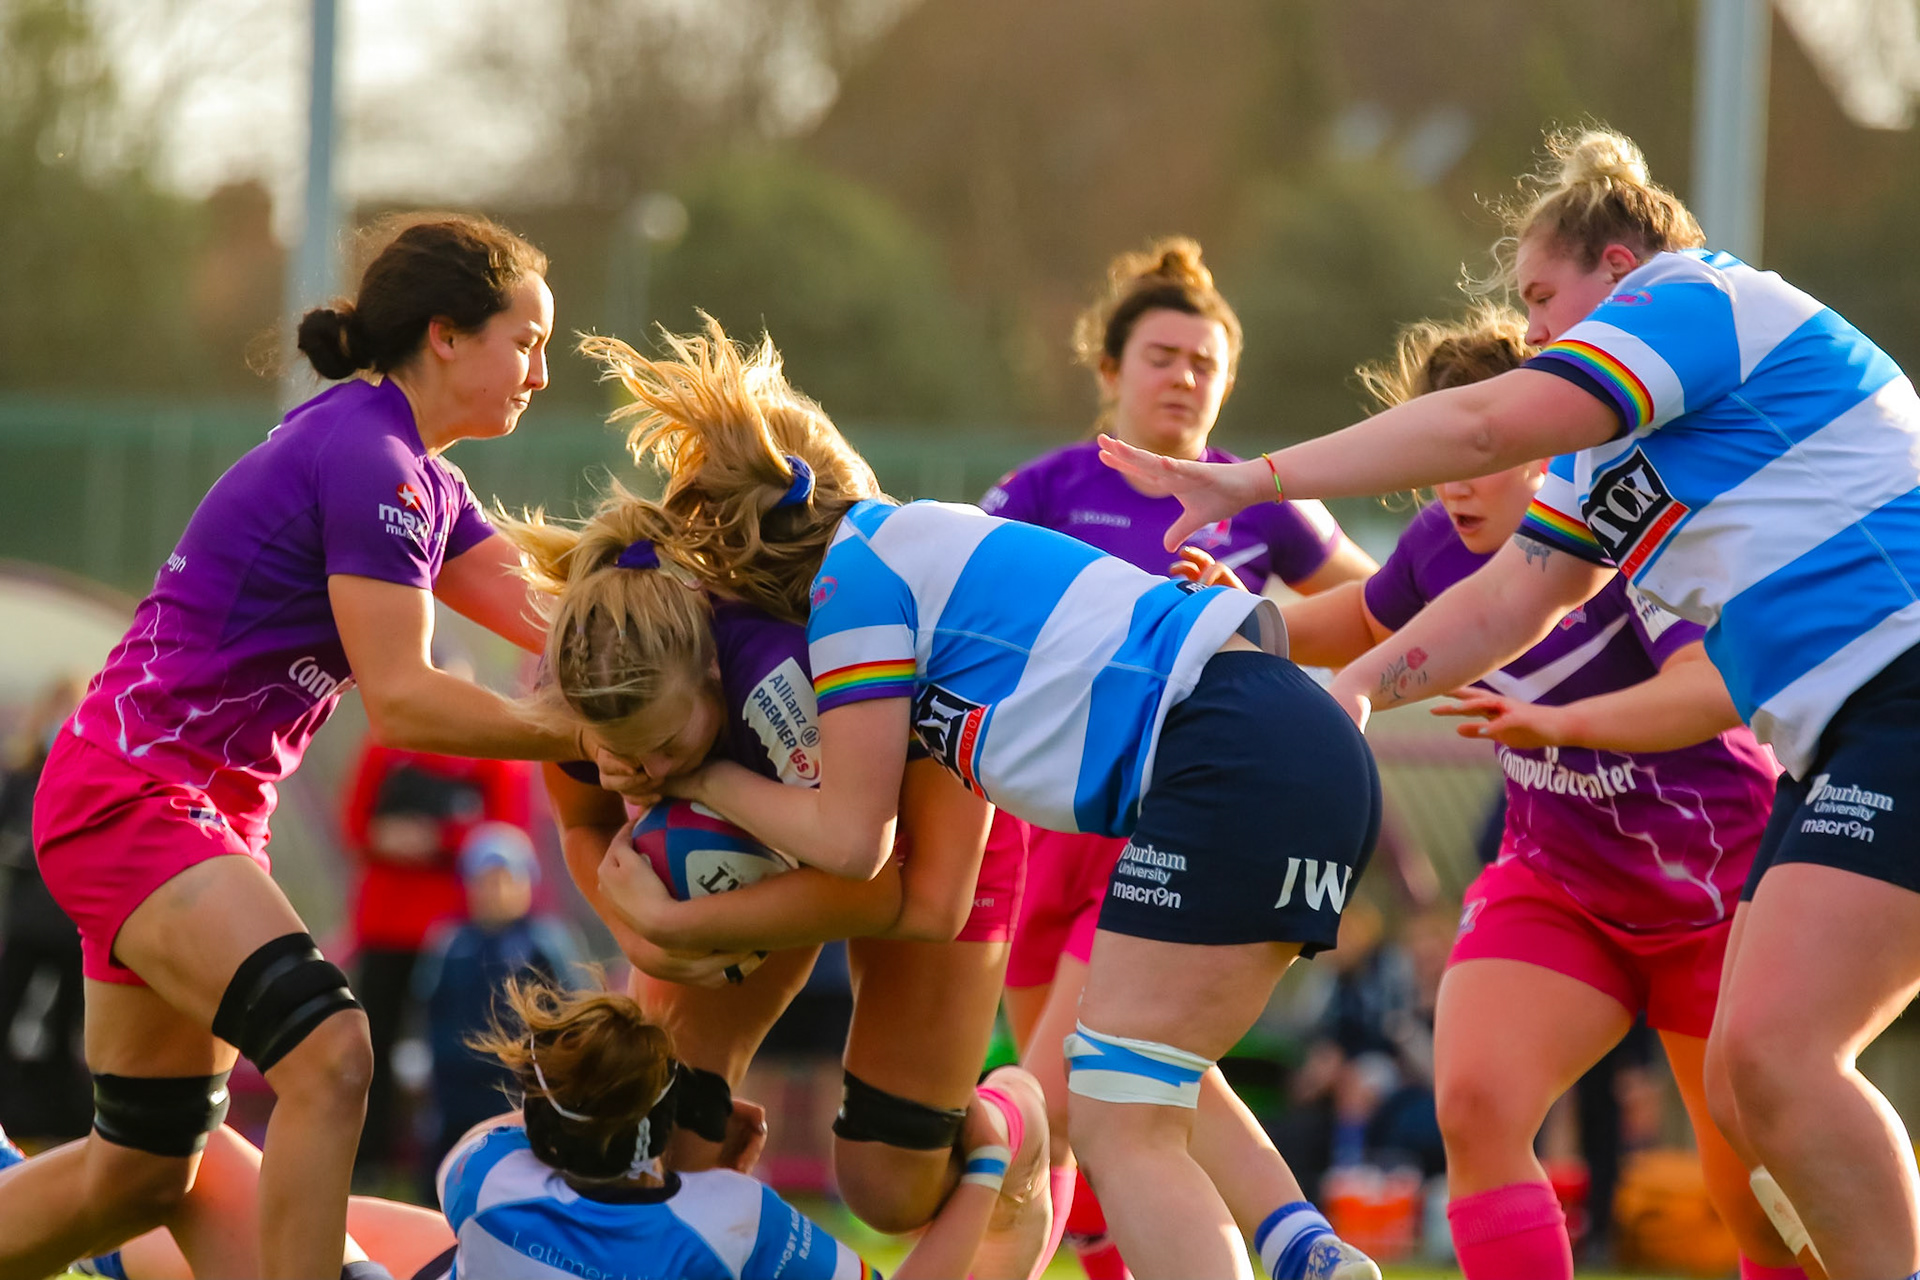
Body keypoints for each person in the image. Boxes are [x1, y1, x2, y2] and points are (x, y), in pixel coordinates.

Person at [1096, 125, 1920, 1278]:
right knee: (1750, 1072)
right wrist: (1356, 690)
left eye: (1542, 296)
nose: (1530, 332)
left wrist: (1257, 475)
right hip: (1835, 739)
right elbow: (1510, 600)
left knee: (1773, 1072)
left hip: (1897, 688)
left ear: (1622, 267)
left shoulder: (1699, 299)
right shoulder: (1604, 465)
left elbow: (1484, 421)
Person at [550, 317, 1384, 1280]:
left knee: (1119, 1122)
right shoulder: (883, 557)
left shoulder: (855, 582)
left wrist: (699, 780)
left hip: (1228, 751)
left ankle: (1257, 1235)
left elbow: (858, 842)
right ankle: (1302, 1248)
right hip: (1278, 746)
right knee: (1140, 1075)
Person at [1, 214, 595, 1280]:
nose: (542, 372)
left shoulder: (414, 470)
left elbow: (569, 624)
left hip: (174, 807)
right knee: (332, 1049)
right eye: (528, 340)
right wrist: (583, 729)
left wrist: (703, 657)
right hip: (140, 798)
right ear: (448, 335)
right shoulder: (373, 461)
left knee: (144, 1168)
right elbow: (409, 702)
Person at [1267, 304, 1793, 1278]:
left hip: (1715, 895)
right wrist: (1235, 621)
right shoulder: (1436, 544)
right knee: (1473, 1102)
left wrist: (1568, 724)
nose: (1455, 483)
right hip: (1560, 886)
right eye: (1441, 457)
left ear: (1545, 445)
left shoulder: (1624, 526)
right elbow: (1356, 621)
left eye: (1482, 450)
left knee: (1760, 1203)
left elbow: (1709, 687)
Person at [500, 492, 1042, 1273]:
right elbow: (584, 824)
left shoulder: (784, 679)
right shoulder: (587, 681)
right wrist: (633, 927)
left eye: (663, 745)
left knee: (889, 1190)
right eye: (625, 754)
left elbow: (901, 890)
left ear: (712, 675)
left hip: (922, 840)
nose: (648, 772)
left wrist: (684, 915)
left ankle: (1018, 1123)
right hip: (795, 837)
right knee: (667, 1142)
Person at [977, 236, 1376, 1279]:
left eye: (1206, 361)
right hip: (1039, 821)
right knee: (1102, 1097)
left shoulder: (1263, 499)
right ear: (1110, 370)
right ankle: (1285, 1240)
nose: (1185, 376)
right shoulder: (1046, 487)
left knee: (1066, 1089)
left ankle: (1293, 1239)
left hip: (1169, 813)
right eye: (1163, 355)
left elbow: (1380, 600)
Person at [339, 675, 538, 1180]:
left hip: (460, 933)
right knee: (371, 1040)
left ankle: (468, 1154)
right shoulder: (386, 748)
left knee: (463, 1046)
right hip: (385, 923)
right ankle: (372, 1155)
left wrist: (439, 837)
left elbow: (508, 836)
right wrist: (384, 837)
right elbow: (355, 822)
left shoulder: (492, 753)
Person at [416, 822, 582, 1184]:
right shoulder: (450, 943)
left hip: (521, 1088)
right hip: (458, 1090)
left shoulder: (545, 942)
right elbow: (432, 1009)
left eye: (507, 879)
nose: (496, 891)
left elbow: (572, 1009)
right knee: (451, 1172)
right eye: (485, 880)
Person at [0, 674, 90, 1148]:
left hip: (74, 928)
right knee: (8, 1010)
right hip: (28, 922)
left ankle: (61, 1117)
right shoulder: (20, 776)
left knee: (66, 1027)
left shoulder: (90, 776)